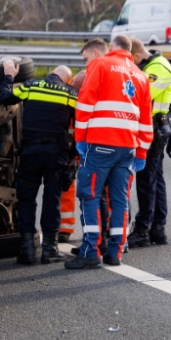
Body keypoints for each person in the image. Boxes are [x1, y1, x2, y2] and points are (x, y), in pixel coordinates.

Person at [66, 34, 153, 270]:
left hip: (100, 143)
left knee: (90, 195)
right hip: (128, 147)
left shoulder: (101, 64)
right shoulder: (141, 77)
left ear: (111, 47)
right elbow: (146, 121)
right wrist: (142, 152)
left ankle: (91, 250)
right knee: (120, 200)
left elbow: (84, 104)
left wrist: (80, 139)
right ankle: (115, 252)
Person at [0, 62, 78, 264]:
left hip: (30, 152)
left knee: (26, 199)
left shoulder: (31, 86)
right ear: (67, 80)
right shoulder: (70, 94)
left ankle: (27, 251)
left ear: (51, 73)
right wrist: (74, 157)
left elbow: (3, 97)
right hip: (56, 153)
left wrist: (9, 76)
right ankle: (50, 250)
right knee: (52, 199)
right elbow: (80, 127)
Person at [58, 39, 110, 243]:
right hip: (92, 142)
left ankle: (72, 228)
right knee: (101, 187)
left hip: (84, 141)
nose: (86, 62)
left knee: (85, 187)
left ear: (95, 53)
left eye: (86, 58)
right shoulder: (103, 78)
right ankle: (104, 231)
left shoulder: (84, 79)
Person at [127, 37, 171, 248]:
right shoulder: (151, 67)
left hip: (153, 128)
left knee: (147, 180)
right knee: (154, 179)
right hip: (152, 127)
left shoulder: (158, 68)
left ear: (136, 55)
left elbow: (140, 95)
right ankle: (157, 228)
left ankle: (144, 229)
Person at [58, 68, 88, 243]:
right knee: (66, 184)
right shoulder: (67, 90)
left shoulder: (92, 89)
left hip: (85, 143)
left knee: (94, 187)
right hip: (71, 144)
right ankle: (64, 227)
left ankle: (104, 228)